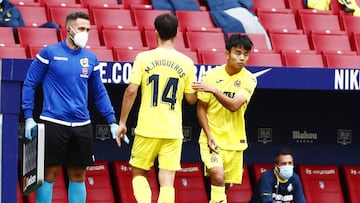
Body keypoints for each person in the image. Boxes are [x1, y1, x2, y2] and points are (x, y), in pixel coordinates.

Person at [21, 11, 120, 203]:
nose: (85, 33)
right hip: (53, 122)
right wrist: (28, 116)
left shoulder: (91, 58)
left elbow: (99, 93)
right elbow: (30, 83)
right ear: (69, 29)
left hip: (82, 124)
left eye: (88, 29)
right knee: (48, 174)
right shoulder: (49, 53)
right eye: (81, 28)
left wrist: (112, 121)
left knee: (78, 175)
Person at [115, 13, 197, 203]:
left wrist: (122, 122)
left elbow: (130, 91)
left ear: (155, 32)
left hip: (147, 127)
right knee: (167, 179)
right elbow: (191, 99)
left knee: (138, 172)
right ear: (177, 33)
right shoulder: (187, 63)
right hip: (172, 129)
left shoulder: (144, 58)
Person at [191, 34, 257, 203]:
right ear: (227, 54)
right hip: (212, 139)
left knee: (224, 188)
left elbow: (234, 106)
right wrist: (208, 134)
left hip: (235, 142)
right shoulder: (211, 75)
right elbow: (201, 108)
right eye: (237, 53)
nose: (242, 58)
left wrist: (214, 90)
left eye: (246, 54)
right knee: (218, 176)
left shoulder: (249, 79)